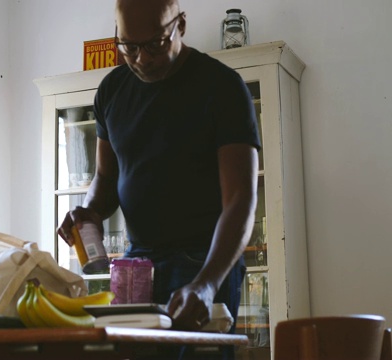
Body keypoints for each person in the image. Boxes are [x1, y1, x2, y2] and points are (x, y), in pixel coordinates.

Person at [57, 0, 260, 358]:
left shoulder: (223, 88)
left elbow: (241, 200)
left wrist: (207, 285)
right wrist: (87, 212)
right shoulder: (111, 91)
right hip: (137, 264)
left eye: (154, 44)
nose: (141, 58)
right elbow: (106, 177)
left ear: (180, 25)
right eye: (129, 47)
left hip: (203, 261)